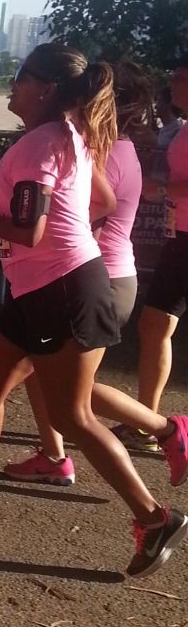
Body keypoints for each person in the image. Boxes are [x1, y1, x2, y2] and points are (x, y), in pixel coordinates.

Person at [0, 44, 188, 581]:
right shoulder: (68, 136)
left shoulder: (40, 144)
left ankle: (155, 518)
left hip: (63, 290)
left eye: (22, 76)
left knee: (71, 416)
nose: (13, 84)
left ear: (47, 89)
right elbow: (102, 202)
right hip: (42, 287)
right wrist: (67, 228)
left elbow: (28, 231)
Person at [4, 62, 179, 484]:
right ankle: (54, 455)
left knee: (68, 394)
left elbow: (90, 213)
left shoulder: (109, 153)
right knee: (43, 375)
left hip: (96, 279)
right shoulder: (110, 148)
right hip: (95, 277)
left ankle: (166, 432)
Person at [114, 58, 188, 444]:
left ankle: (149, 423)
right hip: (181, 237)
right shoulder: (183, 128)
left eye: (181, 77)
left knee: (155, 324)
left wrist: (159, 191)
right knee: (155, 324)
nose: (172, 82)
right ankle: (146, 421)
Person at [155, 84, 184, 151]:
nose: (156, 106)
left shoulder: (177, 131)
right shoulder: (164, 129)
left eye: (159, 101)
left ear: (168, 104)